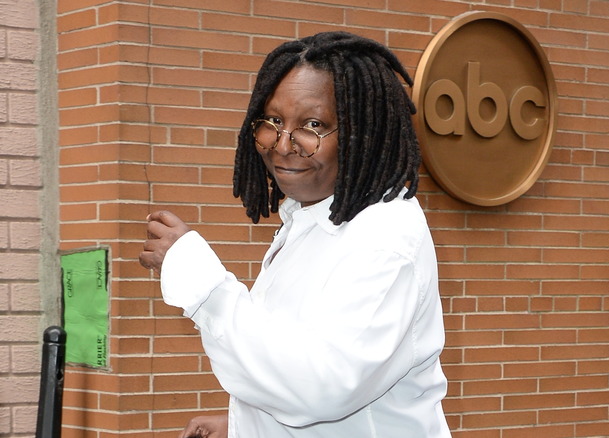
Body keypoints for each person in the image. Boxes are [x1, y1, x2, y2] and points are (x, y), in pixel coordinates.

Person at [139, 31, 451, 438]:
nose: (283, 144)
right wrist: (243, 425)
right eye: (272, 121)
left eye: (313, 125)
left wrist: (201, 283)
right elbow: (291, 357)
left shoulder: (384, 237)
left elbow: (320, 387)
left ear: (361, 133)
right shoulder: (312, 220)